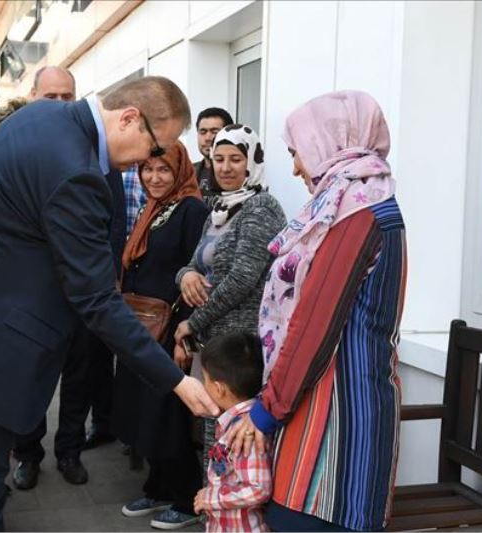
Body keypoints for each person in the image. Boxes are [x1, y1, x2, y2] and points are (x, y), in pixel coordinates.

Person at [0, 75, 218, 531]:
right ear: (129, 118)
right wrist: (176, 382)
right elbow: (97, 300)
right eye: (156, 147)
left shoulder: (40, 115)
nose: (148, 161)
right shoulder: (77, 170)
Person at [230, 91, 406, 532]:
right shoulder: (351, 202)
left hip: (338, 418)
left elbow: (314, 326)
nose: (295, 167)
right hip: (325, 400)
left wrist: (267, 411)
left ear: (328, 141)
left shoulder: (358, 212)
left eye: (297, 152)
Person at [11, 67, 122, 491]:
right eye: (51, 96)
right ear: (32, 97)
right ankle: (27, 455)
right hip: (34, 295)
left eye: (67, 97)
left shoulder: (98, 155)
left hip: (83, 295)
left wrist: (104, 277)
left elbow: (111, 224)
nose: (60, 104)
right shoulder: (21, 150)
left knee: (80, 378)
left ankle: (69, 452)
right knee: (30, 379)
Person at [174, 124, 286, 475]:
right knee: (214, 432)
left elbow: (242, 279)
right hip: (216, 342)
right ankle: (213, 502)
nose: (225, 168)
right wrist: (185, 276)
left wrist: (193, 322)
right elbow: (194, 264)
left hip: (241, 346)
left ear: (252, 162)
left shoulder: (261, 207)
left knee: (234, 440)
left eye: (235, 159)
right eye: (218, 159)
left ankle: (230, 505)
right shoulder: (219, 208)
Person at [114, 141, 209, 529]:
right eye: (148, 170)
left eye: (163, 170)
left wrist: (184, 338)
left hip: (169, 329)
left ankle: (187, 498)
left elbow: (196, 277)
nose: (154, 177)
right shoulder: (153, 207)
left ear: (179, 171)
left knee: (167, 414)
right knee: (144, 412)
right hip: (140, 326)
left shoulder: (191, 211)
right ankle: (157, 487)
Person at [193, 332, 271, 533]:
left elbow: (258, 489)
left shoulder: (244, 432)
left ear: (219, 389)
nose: (203, 383)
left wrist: (211, 498)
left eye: (205, 378)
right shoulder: (237, 422)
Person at [193, 107, 233, 204]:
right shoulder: (187, 173)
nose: (208, 138)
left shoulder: (238, 174)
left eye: (214, 132)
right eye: (203, 132)